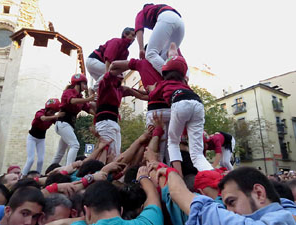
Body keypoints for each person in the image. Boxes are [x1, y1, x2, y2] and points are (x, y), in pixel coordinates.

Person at [160, 166, 296, 224]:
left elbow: (178, 193)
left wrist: (170, 172)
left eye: (232, 202)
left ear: (259, 193)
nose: (228, 211)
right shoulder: (287, 211)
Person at [147, 55, 213, 174]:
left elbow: (152, 95)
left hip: (180, 102)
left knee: (173, 142)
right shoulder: (185, 84)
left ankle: (178, 176)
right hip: (197, 103)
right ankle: (213, 177)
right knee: (197, 153)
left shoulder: (164, 83)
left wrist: (152, 88)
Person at [80, 167, 163, 225]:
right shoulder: (147, 222)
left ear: (87, 212)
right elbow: (153, 195)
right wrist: (143, 176)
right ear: (121, 210)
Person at [52, 74, 95, 165]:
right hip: (63, 123)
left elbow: (89, 109)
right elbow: (72, 101)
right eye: (84, 83)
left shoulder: (80, 98)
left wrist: (99, 116)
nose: (86, 86)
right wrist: (88, 99)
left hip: (68, 125)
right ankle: (69, 168)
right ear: (78, 83)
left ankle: (49, 171)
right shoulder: (68, 92)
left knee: (60, 152)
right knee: (75, 145)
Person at [135, 3, 184, 74]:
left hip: (166, 17)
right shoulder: (158, 7)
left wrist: (141, 49)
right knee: (165, 56)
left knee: (150, 53)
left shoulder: (142, 12)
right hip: (180, 22)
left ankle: (171, 78)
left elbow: (139, 29)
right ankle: (182, 78)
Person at [94, 71, 133, 159]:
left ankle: (107, 171)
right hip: (105, 122)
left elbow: (136, 93)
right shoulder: (105, 85)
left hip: (113, 122)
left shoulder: (118, 90)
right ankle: (101, 171)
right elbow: (109, 72)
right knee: (106, 152)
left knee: (115, 154)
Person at [22, 98, 63, 176]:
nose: (52, 114)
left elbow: (59, 123)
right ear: (47, 109)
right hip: (32, 138)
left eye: (54, 112)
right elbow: (43, 118)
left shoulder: (52, 117)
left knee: (40, 160)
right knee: (30, 159)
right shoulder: (40, 112)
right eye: (51, 111)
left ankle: (38, 175)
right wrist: (56, 116)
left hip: (41, 139)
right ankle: (23, 175)